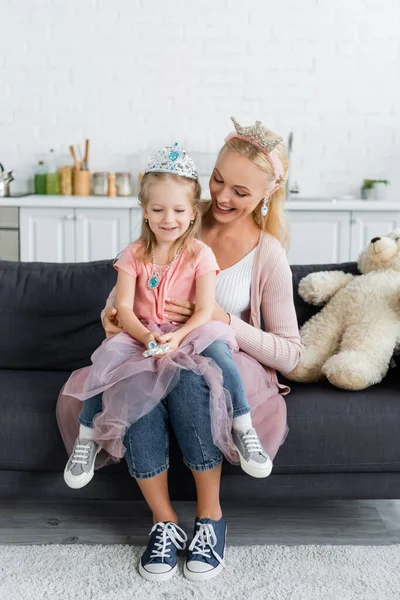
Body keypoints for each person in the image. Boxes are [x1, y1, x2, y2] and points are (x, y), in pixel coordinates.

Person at [57, 118, 301, 583]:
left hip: (220, 361)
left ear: (267, 195)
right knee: (141, 373)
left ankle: (210, 518)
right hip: (154, 346)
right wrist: (111, 318)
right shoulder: (176, 211)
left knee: (190, 375)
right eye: (217, 181)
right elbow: (126, 300)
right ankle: (163, 522)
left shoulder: (267, 254)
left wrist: (219, 318)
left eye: (242, 193)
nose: (223, 198)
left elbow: (291, 355)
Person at [59, 143, 271, 498]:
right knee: (108, 357)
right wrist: (144, 337)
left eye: (177, 210)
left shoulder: (200, 253)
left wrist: (181, 334)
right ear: (144, 211)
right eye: (157, 209)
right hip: (143, 332)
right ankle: (87, 438)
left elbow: (205, 309)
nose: (167, 219)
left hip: (190, 332)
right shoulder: (133, 254)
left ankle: (243, 425)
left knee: (219, 351)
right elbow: (124, 307)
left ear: (192, 214)